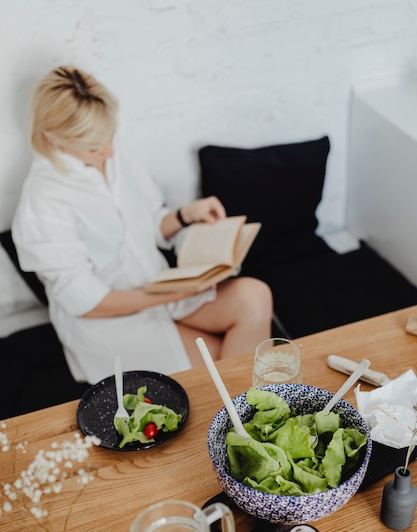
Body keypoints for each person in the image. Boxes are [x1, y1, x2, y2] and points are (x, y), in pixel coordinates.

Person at [12, 65, 273, 384]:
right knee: (226, 367)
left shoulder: (112, 150)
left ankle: (248, 408)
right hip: (111, 322)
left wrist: (184, 216)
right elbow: (88, 302)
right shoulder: (42, 201)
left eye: (109, 135)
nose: (108, 151)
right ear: (52, 137)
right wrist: (176, 293)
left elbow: (150, 223)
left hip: (163, 287)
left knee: (255, 296)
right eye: (94, 147)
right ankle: (240, 416)